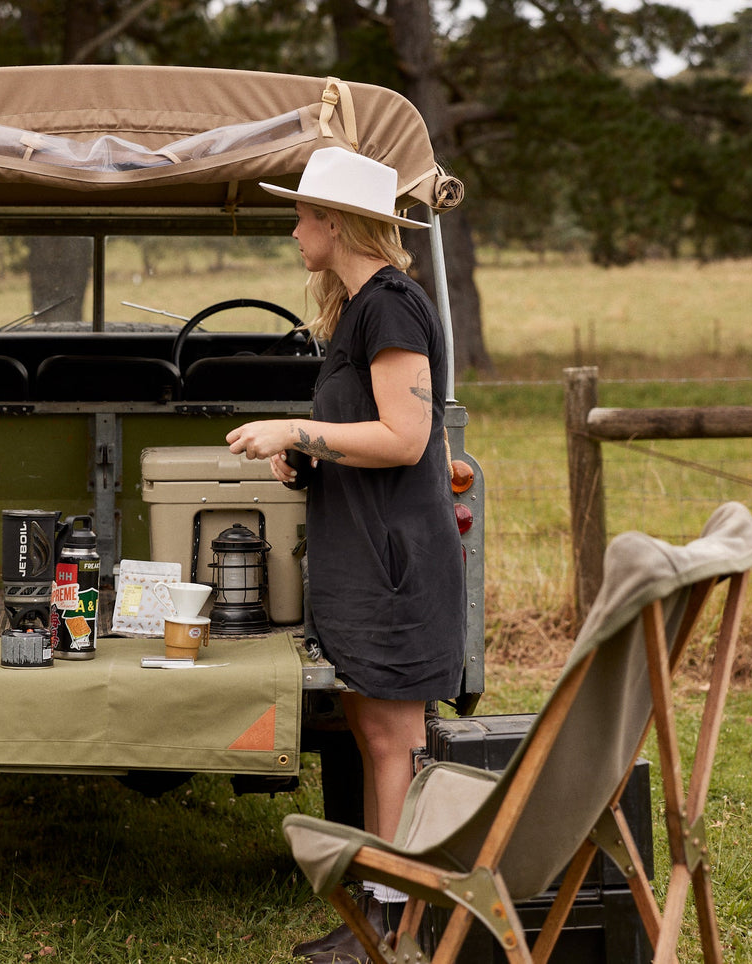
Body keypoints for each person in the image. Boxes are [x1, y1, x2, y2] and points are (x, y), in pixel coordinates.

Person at [225, 146, 466, 963]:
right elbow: (367, 435)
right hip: (367, 555)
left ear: (335, 221)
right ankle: (378, 909)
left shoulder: (390, 305)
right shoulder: (359, 308)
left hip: (395, 563)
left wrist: (295, 429)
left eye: (301, 216)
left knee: (396, 741)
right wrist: (315, 454)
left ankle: (399, 929)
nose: (294, 231)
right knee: (374, 735)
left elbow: (405, 439)